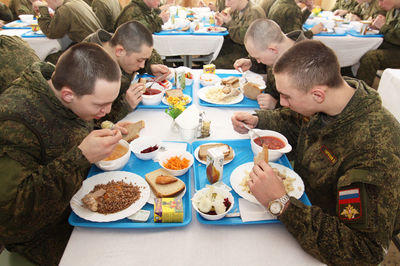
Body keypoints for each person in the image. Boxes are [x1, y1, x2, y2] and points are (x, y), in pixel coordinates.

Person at [231, 40, 400, 265]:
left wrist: (281, 203)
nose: (282, 102)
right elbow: (297, 122)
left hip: (316, 226)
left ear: (318, 94)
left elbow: (363, 251)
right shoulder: (336, 98)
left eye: (287, 96)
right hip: (302, 205)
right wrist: (259, 119)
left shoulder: (373, 152)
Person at [0, 42, 123, 265]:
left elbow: (67, 136)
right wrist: (80, 157)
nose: (106, 111)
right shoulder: (14, 120)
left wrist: (101, 132)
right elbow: (12, 215)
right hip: (44, 236)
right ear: (68, 95)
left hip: (79, 200)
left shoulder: (67, 90)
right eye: (101, 105)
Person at [84, 21, 170, 124]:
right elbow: (95, 123)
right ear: (119, 51)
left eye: (144, 61)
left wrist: (151, 66)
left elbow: (143, 50)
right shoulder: (89, 72)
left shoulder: (115, 43)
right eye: (139, 61)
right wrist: (126, 105)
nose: (142, 65)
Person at [234, 19, 306, 109]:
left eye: (258, 58)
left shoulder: (306, 66)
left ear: (272, 49)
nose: (258, 61)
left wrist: (276, 105)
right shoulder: (280, 45)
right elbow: (268, 62)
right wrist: (251, 63)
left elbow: (306, 114)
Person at [356, 0, 400, 86]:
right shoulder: (393, 9)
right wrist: (376, 26)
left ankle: (362, 94)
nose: (379, 4)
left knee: (371, 57)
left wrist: (383, 27)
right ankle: (349, 83)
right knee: (361, 47)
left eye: (382, 0)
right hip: (392, 46)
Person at [212, 0, 266, 69]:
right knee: (209, 54)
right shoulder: (236, 9)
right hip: (236, 48)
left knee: (213, 63)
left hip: (248, 55)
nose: (226, 4)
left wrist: (229, 22)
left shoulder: (254, 12)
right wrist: (223, 23)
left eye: (229, 0)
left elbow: (246, 39)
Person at [33, 0, 103, 43]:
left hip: (91, 49)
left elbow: (51, 33)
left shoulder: (65, 9)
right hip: (99, 43)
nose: (48, 5)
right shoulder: (75, 2)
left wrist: (42, 9)